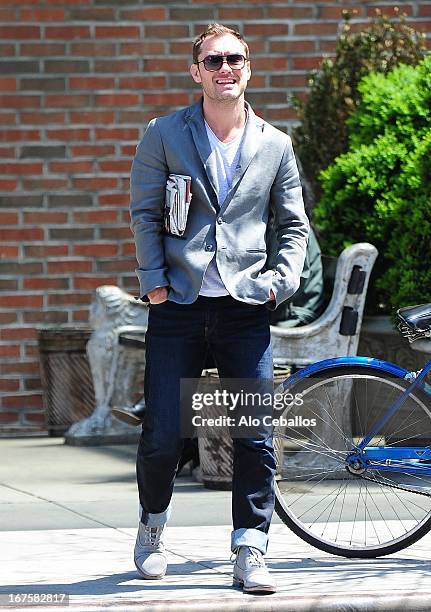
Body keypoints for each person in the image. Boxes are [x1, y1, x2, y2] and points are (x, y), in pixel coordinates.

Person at [129, 23, 309, 594]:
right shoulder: (164, 133)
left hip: (244, 306)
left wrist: (280, 282)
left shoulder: (275, 144)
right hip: (178, 304)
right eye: (214, 60)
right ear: (196, 71)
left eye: (234, 59)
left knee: (253, 434)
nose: (224, 68)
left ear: (248, 69)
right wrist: (154, 283)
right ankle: (153, 524)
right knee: (162, 431)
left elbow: (293, 226)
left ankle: (249, 548)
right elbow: (144, 213)